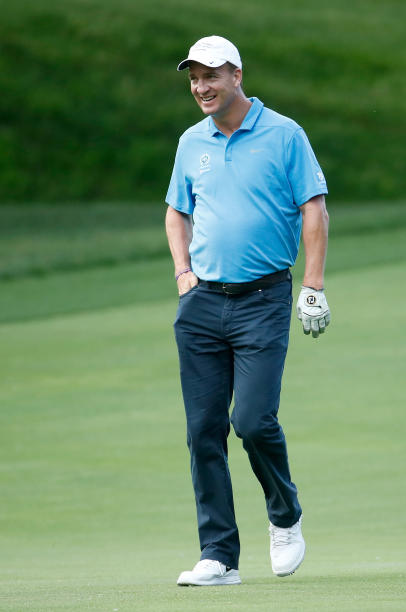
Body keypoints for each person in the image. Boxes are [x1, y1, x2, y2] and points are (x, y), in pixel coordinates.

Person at [164, 35, 331, 587]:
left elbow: (313, 207)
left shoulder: (284, 134)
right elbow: (176, 213)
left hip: (263, 299)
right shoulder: (192, 141)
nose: (200, 87)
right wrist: (183, 274)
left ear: (237, 75)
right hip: (203, 303)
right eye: (193, 78)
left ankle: (285, 515)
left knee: (252, 422)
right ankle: (219, 555)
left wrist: (312, 284)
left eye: (211, 76)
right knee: (203, 431)